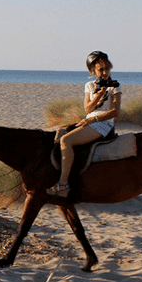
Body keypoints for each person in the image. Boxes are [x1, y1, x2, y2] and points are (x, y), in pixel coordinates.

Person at [48, 50, 122, 197]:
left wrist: (92, 119)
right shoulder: (89, 85)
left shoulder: (115, 86)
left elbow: (115, 112)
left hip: (103, 124)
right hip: (88, 121)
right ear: (92, 70)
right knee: (60, 132)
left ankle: (63, 185)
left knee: (66, 141)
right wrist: (99, 94)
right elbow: (88, 108)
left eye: (107, 68)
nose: (105, 72)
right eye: (101, 69)